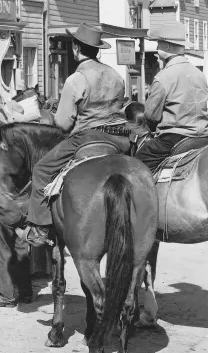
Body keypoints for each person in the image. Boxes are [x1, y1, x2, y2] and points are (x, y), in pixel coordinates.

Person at [22, 24, 131, 248]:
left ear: (75, 48)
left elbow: (63, 123)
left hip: (88, 137)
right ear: (97, 50)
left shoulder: (76, 79)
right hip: (121, 139)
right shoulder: (116, 75)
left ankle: (40, 229)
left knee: (41, 170)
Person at [134, 38, 208, 171]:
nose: (156, 47)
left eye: (159, 44)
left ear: (167, 47)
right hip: (203, 136)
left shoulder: (163, 77)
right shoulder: (199, 74)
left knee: (136, 167)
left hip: (174, 138)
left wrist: (152, 129)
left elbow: (151, 116)